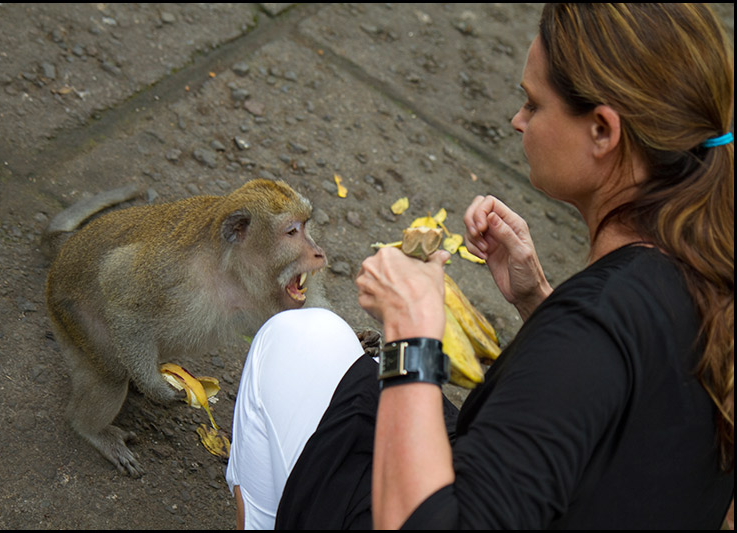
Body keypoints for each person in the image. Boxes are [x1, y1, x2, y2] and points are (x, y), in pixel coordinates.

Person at [226, 3, 734, 529]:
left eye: (533, 105)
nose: (517, 120)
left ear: (603, 130)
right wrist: (537, 297)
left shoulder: (588, 330)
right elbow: (618, 405)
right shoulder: (707, 267)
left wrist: (410, 332)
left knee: (294, 343)